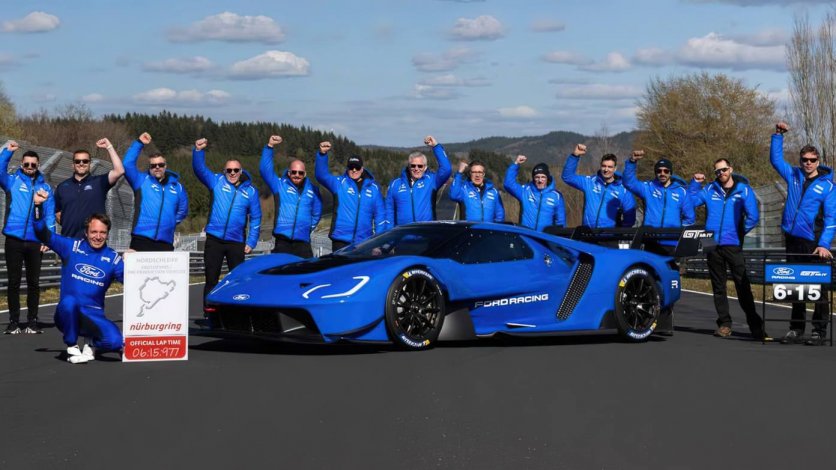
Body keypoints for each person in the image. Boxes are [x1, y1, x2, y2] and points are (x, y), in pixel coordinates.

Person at [32, 189, 123, 363]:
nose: (98, 236)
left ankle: (90, 341)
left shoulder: (114, 259)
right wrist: (37, 206)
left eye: (102, 233)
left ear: (107, 233)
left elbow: (133, 281)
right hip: (67, 313)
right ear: (86, 232)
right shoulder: (71, 246)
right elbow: (41, 232)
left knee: (114, 341)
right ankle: (72, 346)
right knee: (69, 301)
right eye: (94, 232)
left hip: (93, 315)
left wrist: (136, 262)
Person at [771, 122, 836, 346]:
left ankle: (819, 330)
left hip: (814, 243)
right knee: (795, 284)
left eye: (812, 160)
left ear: (818, 162)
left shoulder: (828, 186)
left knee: (819, 287)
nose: (808, 163)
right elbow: (776, 160)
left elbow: (831, 219)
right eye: (804, 160)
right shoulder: (794, 176)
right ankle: (796, 329)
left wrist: (825, 244)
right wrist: (778, 135)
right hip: (792, 238)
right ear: (800, 161)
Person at [689, 159, 766, 339]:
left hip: (733, 243)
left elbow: (753, 216)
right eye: (717, 171)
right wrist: (694, 184)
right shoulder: (709, 189)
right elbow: (690, 202)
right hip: (711, 243)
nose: (721, 173)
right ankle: (724, 324)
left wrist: (739, 232)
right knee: (718, 287)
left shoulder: (743, 190)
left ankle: (755, 325)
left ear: (730, 169)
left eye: (723, 170)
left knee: (743, 285)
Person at [623, 150, 696, 336]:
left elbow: (689, 218)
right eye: (659, 171)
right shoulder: (648, 187)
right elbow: (629, 182)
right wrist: (632, 162)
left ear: (671, 172)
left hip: (671, 244)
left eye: (665, 171)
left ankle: (666, 315)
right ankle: (648, 317)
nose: (662, 174)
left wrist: (680, 236)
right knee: (649, 281)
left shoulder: (681, 192)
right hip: (650, 242)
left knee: (669, 281)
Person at [193, 138, 262, 305]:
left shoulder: (251, 191)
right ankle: (209, 313)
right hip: (214, 240)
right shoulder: (216, 181)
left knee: (237, 281)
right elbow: (200, 170)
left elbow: (256, 217)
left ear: (241, 171)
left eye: (235, 170)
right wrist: (198, 151)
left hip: (236, 242)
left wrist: (251, 241)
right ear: (224, 171)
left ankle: (237, 313)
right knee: (211, 279)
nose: (232, 173)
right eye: (229, 170)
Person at [1, 142, 55, 334]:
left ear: (38, 165)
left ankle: (32, 321)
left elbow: (49, 215)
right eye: (27, 164)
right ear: (22, 164)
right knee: (14, 282)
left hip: (35, 241)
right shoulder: (12, 181)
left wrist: (47, 239)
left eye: (33, 164)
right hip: (13, 239)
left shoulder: (46, 187)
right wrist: (7, 152)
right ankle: (14, 321)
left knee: (34, 282)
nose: (30, 167)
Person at [314, 141, 387, 251]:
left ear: (362, 169)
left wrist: (378, 243)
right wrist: (322, 155)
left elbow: (380, 216)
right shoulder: (339, 183)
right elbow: (321, 176)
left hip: (364, 242)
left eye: (357, 168)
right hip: (341, 241)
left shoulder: (373, 189)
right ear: (347, 168)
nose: (354, 170)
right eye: (351, 167)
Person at [123, 132, 188, 251]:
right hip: (141, 237)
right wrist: (139, 143)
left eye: (160, 164)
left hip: (166, 240)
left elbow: (182, 211)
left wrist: (170, 223)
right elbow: (127, 165)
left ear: (165, 166)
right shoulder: (141, 180)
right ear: (149, 168)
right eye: (153, 165)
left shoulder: (178, 187)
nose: (157, 167)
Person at [260, 135, 322, 258]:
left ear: (305, 174)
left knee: (304, 274)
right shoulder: (279, 185)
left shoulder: (313, 190)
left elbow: (317, 213)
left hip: (303, 241)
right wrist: (270, 146)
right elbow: (265, 170)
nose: (297, 175)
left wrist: (307, 227)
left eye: (300, 173)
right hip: (282, 240)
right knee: (281, 275)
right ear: (289, 172)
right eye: (294, 172)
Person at [54, 138, 125, 238]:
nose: (81, 163)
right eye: (78, 161)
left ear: (90, 164)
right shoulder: (62, 187)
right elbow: (57, 211)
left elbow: (119, 170)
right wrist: (68, 223)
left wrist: (109, 147)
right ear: (72, 165)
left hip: (94, 241)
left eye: (85, 161)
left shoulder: (99, 182)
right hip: (69, 241)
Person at [562, 144, 636, 228]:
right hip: (588, 235)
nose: (606, 169)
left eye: (610, 167)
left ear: (615, 168)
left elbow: (630, 217)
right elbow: (568, 177)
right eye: (604, 166)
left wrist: (618, 232)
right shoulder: (590, 182)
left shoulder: (623, 190)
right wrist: (575, 156)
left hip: (610, 238)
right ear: (600, 166)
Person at [385, 135, 452, 227]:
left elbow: (446, 169)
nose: (416, 169)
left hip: (426, 234)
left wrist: (435, 146)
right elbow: (389, 211)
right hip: (402, 236)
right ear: (408, 166)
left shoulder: (431, 181)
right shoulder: (395, 184)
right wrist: (389, 235)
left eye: (420, 166)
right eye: (413, 165)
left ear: (425, 167)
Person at [503, 155, 564, 230]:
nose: (540, 180)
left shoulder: (556, 196)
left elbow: (560, 222)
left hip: (545, 238)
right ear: (533, 178)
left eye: (543, 177)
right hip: (526, 236)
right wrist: (516, 164)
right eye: (537, 177)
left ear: (547, 178)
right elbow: (508, 184)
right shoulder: (525, 191)